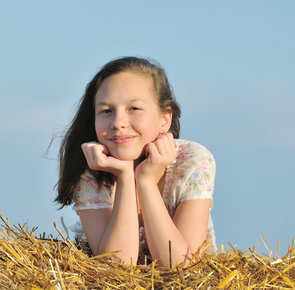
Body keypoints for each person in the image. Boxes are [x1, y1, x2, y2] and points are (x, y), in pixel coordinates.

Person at [55, 56, 217, 268]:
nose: (118, 122)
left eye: (134, 109)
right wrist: (124, 176)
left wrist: (146, 182)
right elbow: (117, 265)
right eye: (106, 111)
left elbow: (180, 267)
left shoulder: (192, 161)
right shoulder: (91, 169)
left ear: (164, 119)